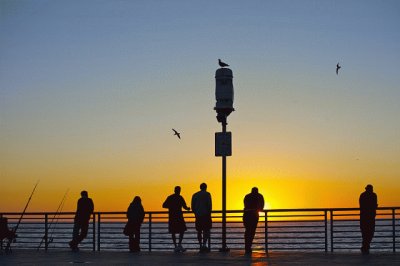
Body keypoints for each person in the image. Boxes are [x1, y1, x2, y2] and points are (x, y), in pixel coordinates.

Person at [162, 186, 190, 252]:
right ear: (179, 191)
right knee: (182, 230)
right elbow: (185, 207)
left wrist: (171, 206)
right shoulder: (180, 198)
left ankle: (176, 246)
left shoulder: (170, 197)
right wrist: (188, 208)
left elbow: (164, 205)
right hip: (179, 216)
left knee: (173, 231)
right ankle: (179, 244)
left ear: (174, 190)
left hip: (172, 216)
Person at [191, 183, 212, 252]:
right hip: (206, 215)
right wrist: (209, 213)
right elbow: (209, 205)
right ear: (206, 187)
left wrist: (195, 213)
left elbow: (192, 206)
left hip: (198, 215)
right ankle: (204, 244)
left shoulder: (195, 195)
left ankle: (200, 245)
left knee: (199, 231)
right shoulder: (207, 194)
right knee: (206, 230)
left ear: (200, 187)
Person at [243, 187, 264, 254]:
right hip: (254, 216)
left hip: (247, 215)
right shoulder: (259, 196)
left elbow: (245, 205)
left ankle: (247, 247)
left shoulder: (247, 196)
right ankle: (248, 247)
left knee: (248, 231)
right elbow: (262, 206)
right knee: (251, 231)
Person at [359, 184, 378, 255]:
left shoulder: (362, 195)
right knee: (370, 232)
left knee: (364, 232)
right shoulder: (374, 195)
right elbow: (375, 205)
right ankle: (366, 246)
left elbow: (361, 205)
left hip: (364, 217)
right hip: (370, 217)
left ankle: (365, 246)